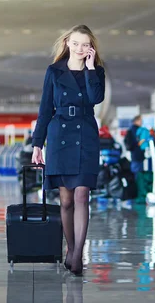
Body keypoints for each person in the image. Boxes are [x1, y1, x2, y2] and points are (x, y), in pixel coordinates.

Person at [31, 24, 105, 276]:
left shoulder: (96, 72)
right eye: (75, 43)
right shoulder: (54, 71)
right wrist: (37, 144)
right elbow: (44, 110)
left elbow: (96, 99)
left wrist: (92, 68)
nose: (80, 48)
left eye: (85, 44)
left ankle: (77, 255)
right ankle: (70, 247)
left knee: (82, 195)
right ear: (67, 44)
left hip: (86, 135)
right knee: (66, 201)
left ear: (91, 47)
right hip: (59, 134)